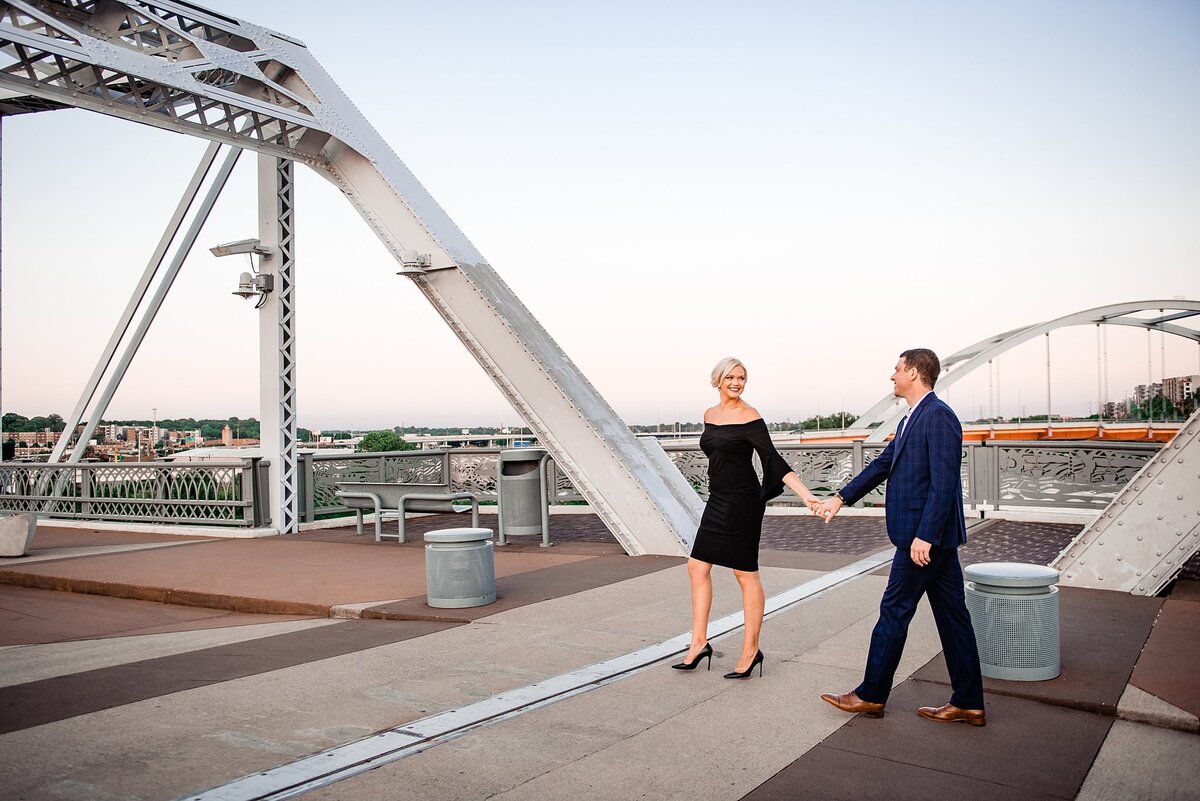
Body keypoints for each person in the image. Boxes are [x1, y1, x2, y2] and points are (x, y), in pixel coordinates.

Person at [815, 349, 985, 725]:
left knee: (894, 611)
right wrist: (840, 498)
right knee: (953, 618)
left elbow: (944, 483)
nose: (891, 376)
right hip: (931, 540)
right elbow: (883, 464)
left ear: (913, 371)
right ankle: (969, 702)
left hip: (923, 541)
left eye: (896, 369)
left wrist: (925, 535)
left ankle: (871, 695)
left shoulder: (938, 416)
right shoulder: (913, 417)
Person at [673, 357, 821, 679]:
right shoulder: (710, 415)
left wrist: (805, 494)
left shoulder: (750, 416)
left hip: (743, 504)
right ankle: (699, 643)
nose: (737, 383)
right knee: (697, 566)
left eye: (742, 378)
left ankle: (751, 650)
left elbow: (772, 459)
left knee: (745, 575)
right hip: (717, 501)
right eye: (731, 377)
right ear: (718, 380)